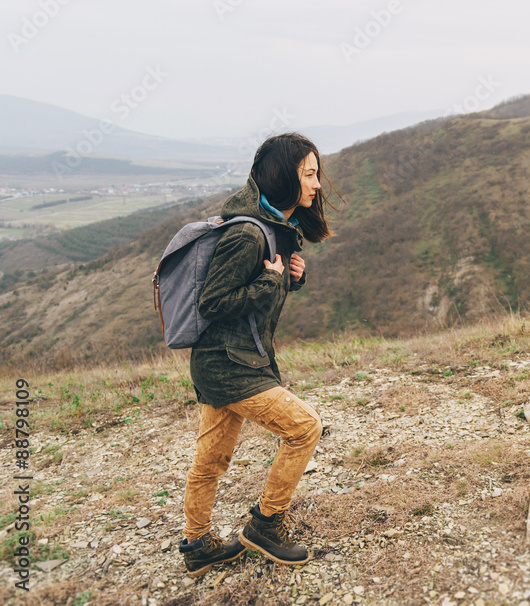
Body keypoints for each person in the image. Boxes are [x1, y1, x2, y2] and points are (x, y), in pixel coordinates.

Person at [178, 132, 335, 578]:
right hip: (231, 366)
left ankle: (197, 545)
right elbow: (214, 302)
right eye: (309, 174)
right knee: (306, 428)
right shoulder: (247, 233)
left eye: (317, 174)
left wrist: (289, 279)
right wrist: (271, 282)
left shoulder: (272, 227)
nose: (317, 184)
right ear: (286, 177)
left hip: (228, 362)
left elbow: (252, 291)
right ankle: (266, 526)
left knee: (211, 460)